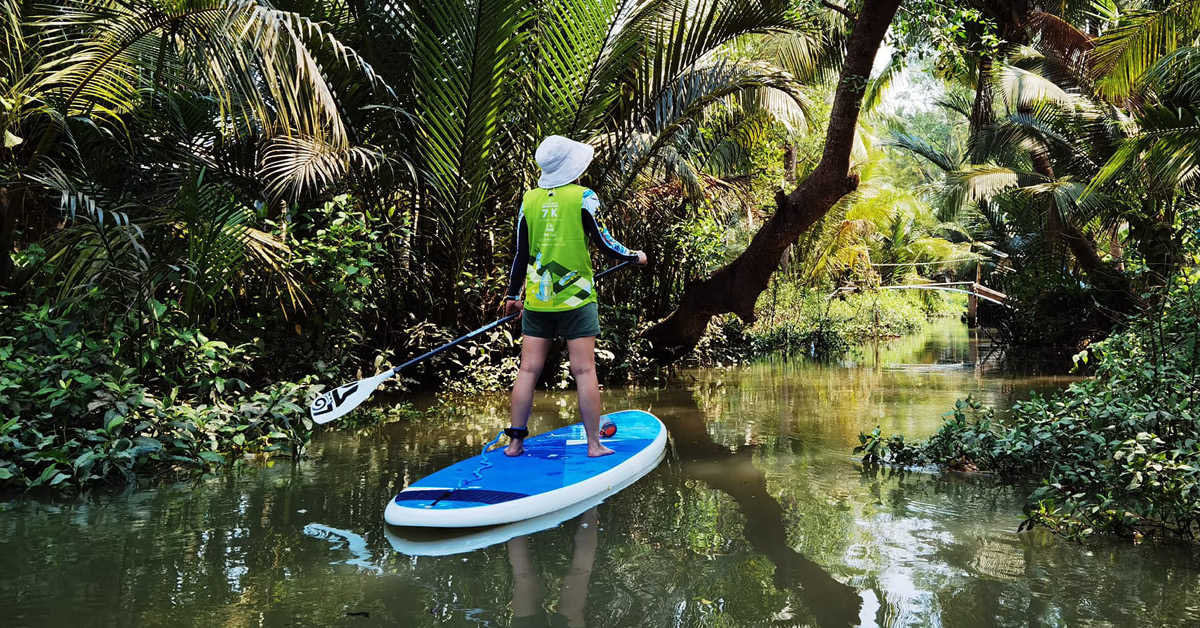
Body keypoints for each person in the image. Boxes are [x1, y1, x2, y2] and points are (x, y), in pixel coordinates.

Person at [502, 135, 647, 458]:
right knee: (584, 370)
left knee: (528, 370)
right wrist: (633, 255)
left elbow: (521, 253)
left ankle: (514, 444)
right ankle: (594, 445)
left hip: (538, 297)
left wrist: (513, 295)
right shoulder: (584, 197)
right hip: (576, 297)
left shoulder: (529, 201)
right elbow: (605, 242)